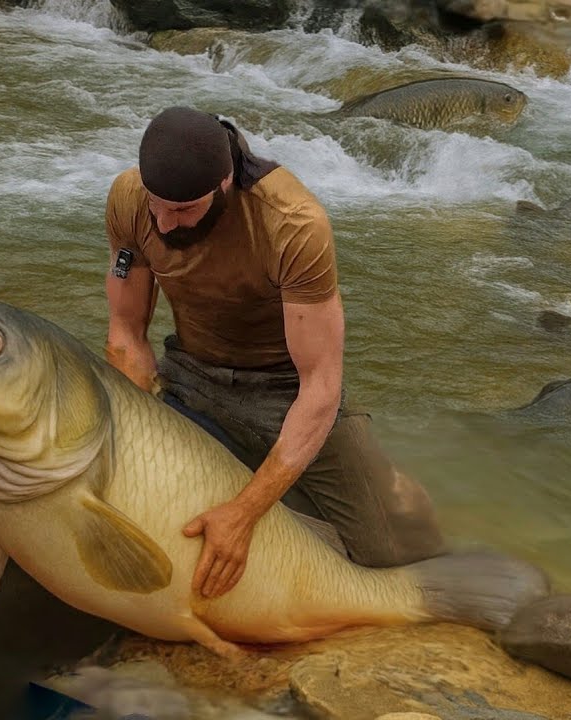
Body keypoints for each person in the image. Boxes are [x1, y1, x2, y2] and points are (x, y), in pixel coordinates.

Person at [103, 106, 445, 600]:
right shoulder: (130, 200)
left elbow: (321, 388)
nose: (164, 223)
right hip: (191, 380)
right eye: (157, 205)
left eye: (183, 210)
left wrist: (243, 515)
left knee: (387, 556)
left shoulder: (292, 223)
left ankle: (379, 483)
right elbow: (125, 334)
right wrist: (133, 436)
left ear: (224, 185)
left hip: (285, 393)